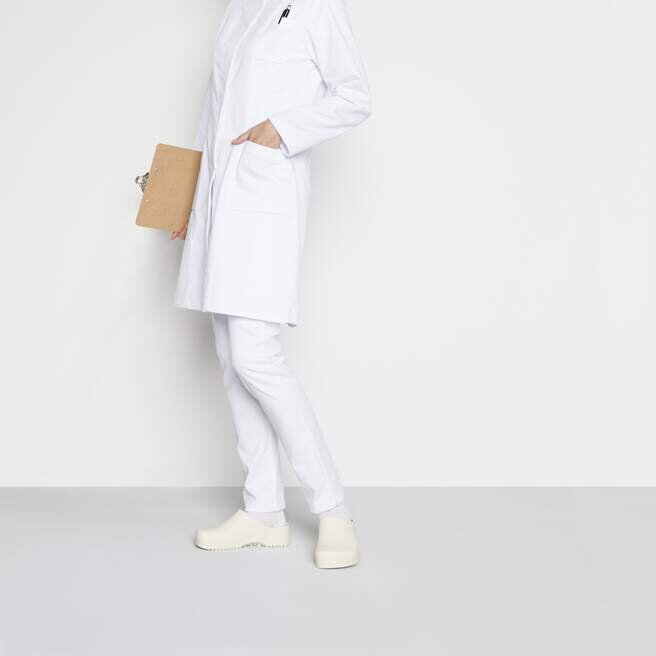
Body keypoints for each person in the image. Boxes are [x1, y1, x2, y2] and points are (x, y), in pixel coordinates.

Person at [171, 0, 371, 569]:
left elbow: (354, 96)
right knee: (231, 358)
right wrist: (185, 196)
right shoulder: (237, 11)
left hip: (264, 197)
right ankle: (262, 511)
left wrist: (279, 129)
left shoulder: (315, 8)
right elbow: (212, 113)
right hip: (219, 200)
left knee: (255, 355)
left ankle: (333, 510)